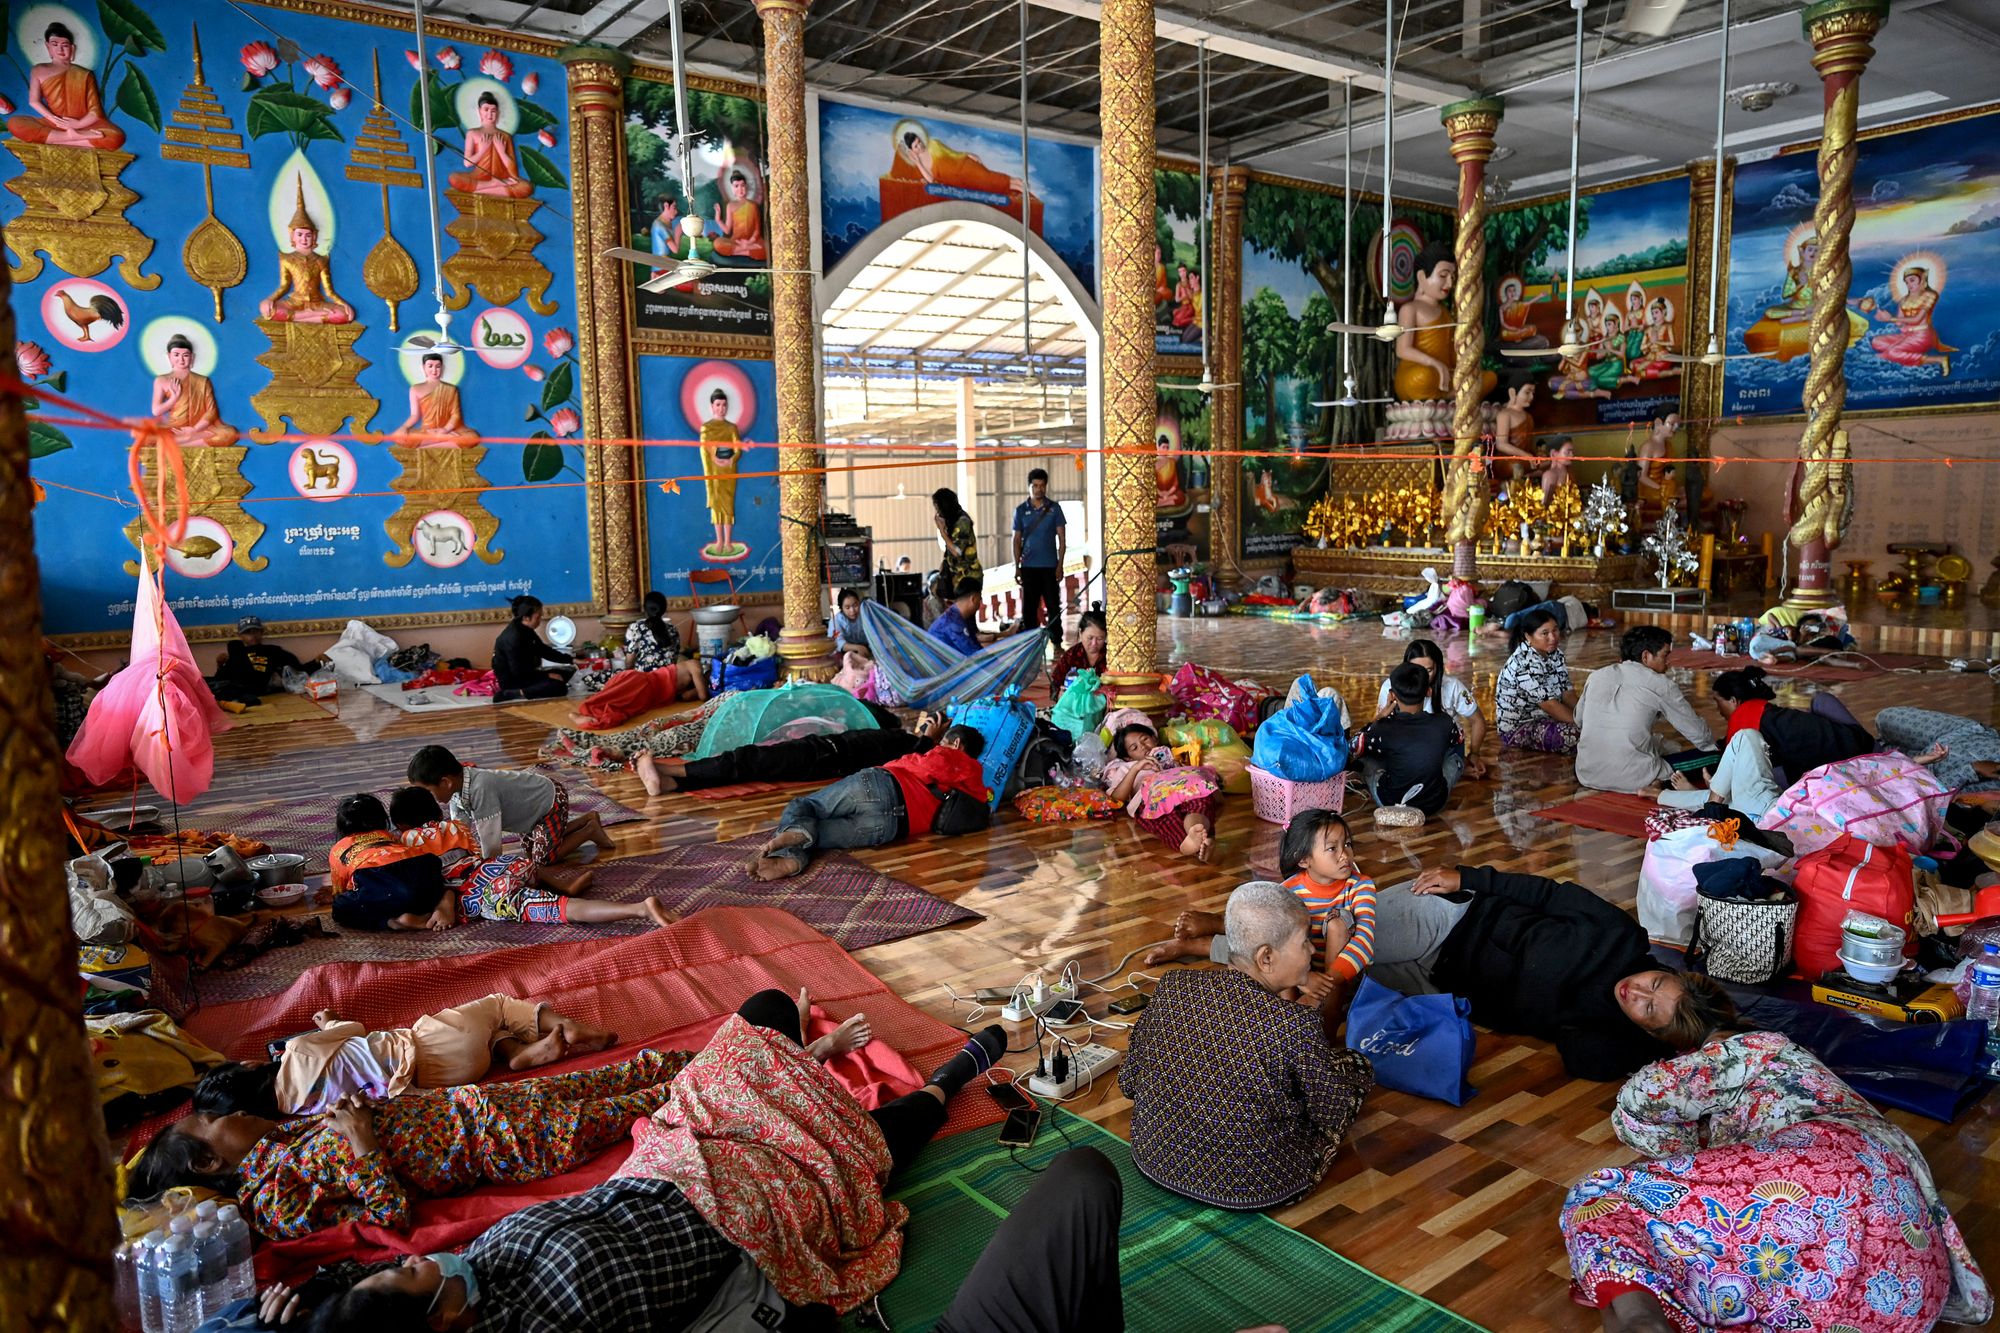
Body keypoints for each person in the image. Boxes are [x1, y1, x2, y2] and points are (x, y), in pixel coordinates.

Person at [256, 1003, 1125, 1333]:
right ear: (438, 1324)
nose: (419, 1259)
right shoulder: (541, 1323)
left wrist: (305, 1303)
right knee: (853, 1152)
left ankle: (804, 1052)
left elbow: (364, 1284)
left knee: (752, 1028)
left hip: (665, 1160)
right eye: (412, 1274)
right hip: (738, 1214)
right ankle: (946, 1082)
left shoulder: (470, 1280)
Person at [1562, 1028, 1990, 1333]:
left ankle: (1636, 1311)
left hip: (1844, 1169)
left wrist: (1669, 1143)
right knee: (1694, 1267)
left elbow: (1644, 1097)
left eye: (1655, 992)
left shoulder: (1759, 1047)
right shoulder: (1778, 1111)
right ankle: (1628, 1296)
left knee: (1600, 1197)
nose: (1640, 995)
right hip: (1903, 1301)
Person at [125, 1050, 686, 1239]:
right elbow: (387, 1216)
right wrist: (364, 1144)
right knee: (636, 1104)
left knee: (622, 1073)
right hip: (498, 1143)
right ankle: (737, 1063)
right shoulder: (271, 1201)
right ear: (209, 1161)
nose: (236, 1112)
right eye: (211, 1121)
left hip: (476, 1104)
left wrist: (368, 1110)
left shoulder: (283, 1138)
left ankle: (731, 1042)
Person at [1121, 881, 1373, 1210]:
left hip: (1153, 1160)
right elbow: (1332, 1113)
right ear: (1265, 957)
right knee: (1355, 1067)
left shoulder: (1172, 985)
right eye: (1304, 942)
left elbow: (1128, 1082)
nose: (1313, 951)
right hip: (1259, 1188)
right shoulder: (1295, 1024)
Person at [1372, 863, 1737, 1080]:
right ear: (1667, 971)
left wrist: (1661, 1049)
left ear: (1648, 1032)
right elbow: (1546, 893)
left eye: (1649, 1009)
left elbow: (1584, 1062)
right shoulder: (1620, 935)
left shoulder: (1608, 1028)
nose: (1637, 992)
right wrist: (1467, 876)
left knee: (1344, 985)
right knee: (1334, 950)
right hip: (1449, 918)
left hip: (1436, 983)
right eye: (1654, 983)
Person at [190, 996, 617, 1118]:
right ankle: (579, 1030)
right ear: (248, 1066)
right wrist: (327, 1024)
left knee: (490, 1036)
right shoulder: (298, 1050)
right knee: (499, 1007)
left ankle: (520, 1055)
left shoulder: (297, 1114)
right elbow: (353, 1031)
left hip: (438, 1081)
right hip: (430, 1044)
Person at [1145, 809, 1378, 1003]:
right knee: (1256, 950)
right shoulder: (1289, 889)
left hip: (1337, 976)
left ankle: (1218, 925)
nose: (1345, 854)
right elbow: (1264, 946)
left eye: (1347, 844)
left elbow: (1364, 940)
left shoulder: (1361, 886)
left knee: (1338, 924)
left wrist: (1327, 982)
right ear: (1304, 859)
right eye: (1332, 848)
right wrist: (1303, 979)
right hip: (1297, 972)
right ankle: (1194, 945)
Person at [388, 787, 671, 927]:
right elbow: (473, 855)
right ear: (437, 813)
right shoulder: (454, 826)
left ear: (401, 827)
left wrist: (443, 904)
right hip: (502, 866)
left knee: (558, 909)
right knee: (525, 866)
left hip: (484, 890)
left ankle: (638, 909)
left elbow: (426, 882)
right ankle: (563, 884)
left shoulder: (403, 842)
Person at [747, 724, 988, 880]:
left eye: (942, 742)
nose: (938, 746)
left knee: (806, 806)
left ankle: (793, 843)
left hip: (880, 786)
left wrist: (909, 756)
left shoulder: (955, 758)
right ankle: (792, 856)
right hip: (890, 828)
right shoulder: (978, 793)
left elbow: (923, 765)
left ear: (956, 744)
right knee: (817, 834)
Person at [407, 744, 616, 890]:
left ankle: (590, 830)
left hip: (548, 803)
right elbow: (460, 828)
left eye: (427, 791)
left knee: (543, 859)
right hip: (528, 816)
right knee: (531, 850)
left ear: (445, 782)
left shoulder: (481, 788)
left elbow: (491, 840)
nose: (427, 798)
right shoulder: (457, 790)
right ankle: (587, 820)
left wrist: (487, 869)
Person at [640, 708, 936, 795]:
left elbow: (922, 746)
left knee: (749, 759)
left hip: (823, 754)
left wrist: (927, 735)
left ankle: (673, 771)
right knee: (749, 764)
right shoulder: (900, 739)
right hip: (823, 755)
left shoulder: (913, 744)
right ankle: (671, 780)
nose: (922, 719)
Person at [1573, 625, 1716, 794]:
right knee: (1717, 757)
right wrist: (1715, 747)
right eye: (1665, 655)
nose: (1668, 663)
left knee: (1666, 746)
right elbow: (1699, 735)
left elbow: (1578, 720)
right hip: (1636, 780)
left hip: (1587, 774)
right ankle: (1657, 783)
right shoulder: (1661, 685)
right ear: (1646, 656)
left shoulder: (1596, 676)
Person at [1710, 666, 1873, 782]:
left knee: (1752, 778)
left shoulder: (1741, 721)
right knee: (1821, 700)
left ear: (1733, 701)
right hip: (1859, 742)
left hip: (1841, 764)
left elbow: (1729, 772)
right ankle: (1878, 751)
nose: (1718, 710)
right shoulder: (1764, 708)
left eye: (1718, 703)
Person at [326, 793, 458, 931]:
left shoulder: (339, 848)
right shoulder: (390, 836)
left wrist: (338, 895)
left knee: (340, 907)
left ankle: (393, 921)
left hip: (383, 884)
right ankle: (445, 898)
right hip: (422, 866)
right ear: (382, 819)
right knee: (426, 888)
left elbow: (340, 888)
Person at [1103, 716, 1221, 860]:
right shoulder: (1125, 768)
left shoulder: (1170, 756)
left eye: (1144, 739)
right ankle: (1197, 844)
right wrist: (1136, 769)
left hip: (1182, 789)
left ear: (1154, 738)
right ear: (1128, 757)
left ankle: (1195, 831)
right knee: (1165, 820)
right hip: (1150, 800)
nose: (1143, 747)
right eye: (1134, 748)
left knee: (1200, 801)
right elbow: (1116, 799)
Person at [1356, 662, 1465, 814]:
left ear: (1392, 695)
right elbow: (1459, 742)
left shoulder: (1382, 727)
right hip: (1434, 803)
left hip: (1389, 802)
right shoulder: (1444, 722)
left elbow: (1353, 746)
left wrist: (1378, 718)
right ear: (1428, 691)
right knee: (1454, 749)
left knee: (1364, 755)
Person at [1372, 638, 1488, 778]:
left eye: (1428, 670)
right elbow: (1378, 728)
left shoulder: (1452, 687)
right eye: (1415, 669)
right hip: (1405, 748)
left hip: (1445, 750)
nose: (1421, 677)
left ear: (1438, 667)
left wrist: (1474, 754)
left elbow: (1477, 720)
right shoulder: (1390, 687)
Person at [8, 21, 125, 149]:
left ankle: (61, 138)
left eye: (65, 45)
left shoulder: (84, 74)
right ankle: (72, 137)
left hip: (83, 124)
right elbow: (33, 101)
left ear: (72, 48)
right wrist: (54, 120)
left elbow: (95, 111)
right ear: (48, 47)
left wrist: (78, 124)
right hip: (54, 123)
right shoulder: (38, 70)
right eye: (55, 44)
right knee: (15, 123)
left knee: (116, 137)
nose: (60, 49)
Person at [261, 178, 355, 324]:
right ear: (292, 236)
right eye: (299, 234)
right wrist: (269, 299)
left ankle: (303, 317)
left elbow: (329, 291)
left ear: (314, 237)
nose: (304, 239)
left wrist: (344, 304)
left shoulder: (321, 260)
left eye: (308, 235)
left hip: (318, 303)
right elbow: (284, 286)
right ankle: (307, 317)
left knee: (345, 315)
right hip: (295, 303)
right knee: (267, 309)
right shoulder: (286, 259)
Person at [1494, 607, 1580, 753]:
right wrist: (1584, 724)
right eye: (1545, 633)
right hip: (1521, 727)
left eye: (1555, 630)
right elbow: (1550, 705)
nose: (1553, 637)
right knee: (1580, 736)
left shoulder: (1555, 654)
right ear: (1528, 636)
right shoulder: (1524, 663)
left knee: (1594, 728)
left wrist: (1587, 715)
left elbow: (1567, 694)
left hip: (1547, 717)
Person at [1875, 706, 2000, 793]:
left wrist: (1973, 769)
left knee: (1879, 759)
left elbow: (1941, 793)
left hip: (1931, 773)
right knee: (1886, 718)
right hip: (1968, 733)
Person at [1012, 467, 1068, 651]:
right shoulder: (1020, 511)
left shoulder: (1055, 509)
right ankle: (1030, 644)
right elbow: (1016, 540)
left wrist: (1060, 565)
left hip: (1050, 567)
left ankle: (1057, 641)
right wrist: (1017, 567)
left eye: (1042, 485)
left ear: (1046, 487)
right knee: (1029, 607)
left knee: (1053, 605)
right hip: (1028, 567)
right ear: (1029, 487)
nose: (1039, 489)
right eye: (1035, 486)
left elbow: (1062, 538)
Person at [152, 333, 238, 448]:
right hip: (175, 428)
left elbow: (211, 411)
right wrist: (173, 399)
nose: (181, 359)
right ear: (169, 356)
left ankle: (182, 442)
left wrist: (194, 429)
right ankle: (186, 441)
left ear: (192, 357)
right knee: (147, 435)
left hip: (199, 428)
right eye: (176, 355)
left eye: (185, 355)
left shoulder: (202, 381)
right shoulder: (162, 380)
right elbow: (156, 411)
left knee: (230, 434)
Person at [209, 615, 314, 708]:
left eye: (255, 631)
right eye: (248, 633)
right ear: (241, 636)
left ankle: (238, 698)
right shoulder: (236, 652)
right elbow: (220, 680)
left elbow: (298, 670)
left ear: (261, 632)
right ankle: (235, 698)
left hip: (256, 685)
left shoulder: (272, 651)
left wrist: (316, 662)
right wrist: (220, 665)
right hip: (235, 684)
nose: (253, 635)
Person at [447, 90, 532, 197]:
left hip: (503, 180)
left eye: (493, 111)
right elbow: (467, 163)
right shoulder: (473, 133)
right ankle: (493, 185)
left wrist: (502, 152)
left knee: (526, 187)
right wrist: (482, 150)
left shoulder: (505, 136)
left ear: (498, 113)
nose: (490, 114)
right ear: (479, 111)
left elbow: (513, 172)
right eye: (486, 109)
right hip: (479, 178)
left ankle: (482, 190)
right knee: (454, 178)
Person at [491, 594, 573, 702]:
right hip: (514, 680)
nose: (540, 620)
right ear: (526, 617)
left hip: (527, 674)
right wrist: (547, 676)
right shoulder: (513, 637)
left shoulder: (526, 629)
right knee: (559, 687)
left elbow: (543, 650)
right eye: (538, 617)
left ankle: (536, 687)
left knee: (567, 672)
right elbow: (519, 672)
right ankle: (513, 693)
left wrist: (571, 660)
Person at [388, 352, 480, 447]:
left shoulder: (451, 389)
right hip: (428, 431)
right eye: (430, 366)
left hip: (449, 429)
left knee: (472, 437)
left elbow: (455, 415)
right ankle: (444, 438)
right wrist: (404, 427)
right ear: (423, 368)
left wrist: (445, 430)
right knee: (398, 437)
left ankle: (441, 437)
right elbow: (415, 415)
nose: (434, 370)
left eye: (438, 366)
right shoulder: (415, 389)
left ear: (442, 368)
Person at [698, 388, 747, 559]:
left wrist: (731, 460)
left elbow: (738, 447)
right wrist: (715, 460)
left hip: (729, 471)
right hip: (713, 472)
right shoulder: (706, 427)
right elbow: (704, 450)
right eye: (718, 404)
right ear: (712, 406)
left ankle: (728, 541)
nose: (721, 408)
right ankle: (719, 541)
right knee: (716, 506)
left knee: (728, 505)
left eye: (724, 405)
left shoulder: (732, 428)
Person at [708, 169, 767, 261]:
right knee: (717, 243)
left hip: (752, 241)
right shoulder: (730, 206)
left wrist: (749, 242)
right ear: (732, 188)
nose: (740, 189)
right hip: (736, 241)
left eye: (742, 185)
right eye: (736, 186)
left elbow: (757, 230)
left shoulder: (753, 205)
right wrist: (718, 219)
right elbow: (727, 230)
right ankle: (746, 252)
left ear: (746, 186)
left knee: (767, 248)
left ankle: (739, 252)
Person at [932, 487, 981, 593]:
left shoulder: (962, 522)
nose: (937, 513)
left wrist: (941, 530)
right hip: (956, 578)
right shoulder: (952, 522)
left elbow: (957, 551)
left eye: (938, 508)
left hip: (967, 578)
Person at [1051, 609, 1107, 695]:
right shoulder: (1071, 656)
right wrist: (1058, 694)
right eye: (1090, 638)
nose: (1094, 643)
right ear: (1081, 633)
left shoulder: (1111, 656)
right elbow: (1055, 683)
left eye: (1100, 639)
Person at [927, 577, 984, 657]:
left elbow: (976, 646)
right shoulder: (953, 622)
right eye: (980, 598)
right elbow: (973, 654)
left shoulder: (957, 616)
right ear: (973, 599)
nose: (981, 602)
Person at [829, 586, 869, 658]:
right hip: (846, 651)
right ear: (841, 608)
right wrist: (858, 648)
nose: (852, 610)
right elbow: (836, 642)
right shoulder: (836, 621)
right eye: (847, 607)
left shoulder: (866, 616)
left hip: (866, 648)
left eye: (855, 605)